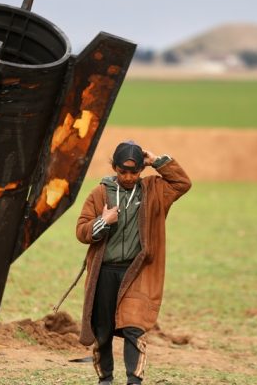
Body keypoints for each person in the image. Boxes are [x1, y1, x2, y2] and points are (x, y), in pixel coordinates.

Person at [75, 141, 191, 385]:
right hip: (104, 272)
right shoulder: (100, 193)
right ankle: (105, 379)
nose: (128, 176)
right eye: (122, 171)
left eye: (134, 171)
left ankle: (134, 381)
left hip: (138, 273)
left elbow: (182, 183)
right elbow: (82, 231)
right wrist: (103, 221)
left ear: (142, 169)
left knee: (134, 328)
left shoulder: (154, 191)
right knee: (103, 331)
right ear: (114, 168)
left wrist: (158, 161)